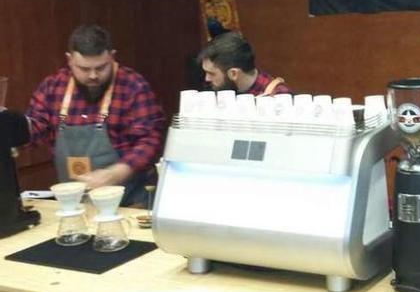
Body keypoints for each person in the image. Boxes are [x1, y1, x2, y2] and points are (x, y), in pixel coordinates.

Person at [25, 24, 165, 207]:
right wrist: (11, 125)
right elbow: (33, 129)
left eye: (101, 68)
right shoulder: (53, 86)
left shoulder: (133, 86)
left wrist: (116, 173)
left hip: (128, 203)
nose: (93, 76)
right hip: (74, 205)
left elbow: (150, 140)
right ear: (69, 60)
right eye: (83, 69)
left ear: (112, 57)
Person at [197, 32, 291, 96]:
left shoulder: (278, 96)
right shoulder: (218, 90)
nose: (207, 79)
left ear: (233, 74)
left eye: (212, 73)